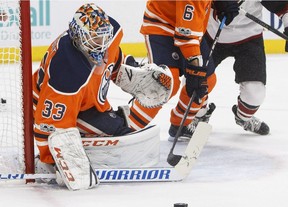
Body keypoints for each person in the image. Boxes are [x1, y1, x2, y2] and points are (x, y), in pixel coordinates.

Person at [32, 3, 172, 190]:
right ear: (78, 36)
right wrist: (49, 161)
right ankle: (79, 143)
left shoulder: (106, 36)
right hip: (52, 105)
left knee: (120, 126)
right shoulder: (67, 70)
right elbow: (47, 123)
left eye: (104, 38)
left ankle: (88, 138)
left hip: (84, 101)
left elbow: (113, 58)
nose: (103, 44)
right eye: (96, 39)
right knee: (119, 131)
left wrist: (132, 70)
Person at [126, 0, 239, 142]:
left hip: (190, 29)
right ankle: (127, 128)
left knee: (207, 80)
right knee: (166, 83)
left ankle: (180, 124)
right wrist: (195, 70)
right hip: (162, 25)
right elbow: (186, 37)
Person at [191, 0, 288, 135]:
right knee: (193, 83)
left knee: (255, 94)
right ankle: (200, 114)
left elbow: (282, 6)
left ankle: (243, 118)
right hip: (211, 34)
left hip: (249, 37)